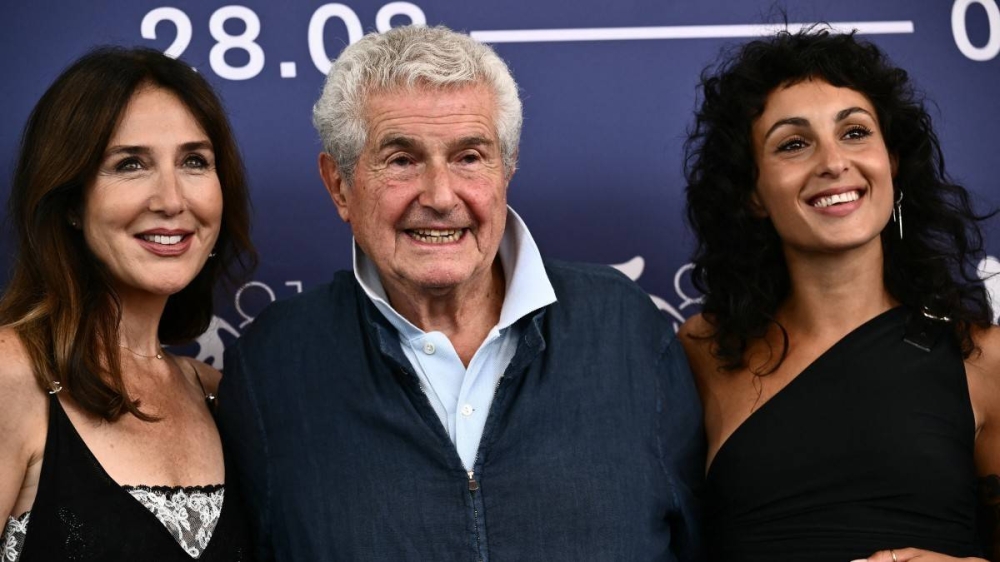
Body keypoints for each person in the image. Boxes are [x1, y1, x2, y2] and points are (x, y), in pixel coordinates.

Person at [216, 24, 703, 561]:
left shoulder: (627, 328)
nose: (441, 196)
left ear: (506, 169)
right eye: (401, 160)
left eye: (469, 157)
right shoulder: (273, 365)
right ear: (340, 185)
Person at [680, 27, 1000, 562]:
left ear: (892, 164)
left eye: (854, 132)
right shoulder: (703, 351)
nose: (832, 161)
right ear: (753, 193)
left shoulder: (981, 359)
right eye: (794, 143)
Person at [0, 47, 256, 560]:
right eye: (130, 164)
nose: (171, 199)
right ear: (71, 200)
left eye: (194, 161)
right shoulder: (11, 374)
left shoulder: (218, 394)